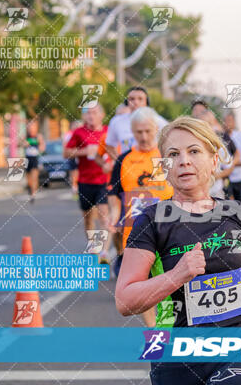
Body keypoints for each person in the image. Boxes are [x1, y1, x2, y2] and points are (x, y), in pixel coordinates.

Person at [116, 116, 241, 385]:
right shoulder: (152, 221)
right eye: (173, 154)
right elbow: (125, 300)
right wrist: (177, 275)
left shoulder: (237, 212)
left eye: (194, 151)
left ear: (214, 160)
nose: (184, 160)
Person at [108, 107, 174, 326]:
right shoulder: (124, 160)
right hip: (136, 232)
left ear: (156, 129)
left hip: (169, 229)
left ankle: (171, 329)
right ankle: (155, 332)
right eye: (138, 132)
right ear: (132, 132)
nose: (144, 137)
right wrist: (113, 218)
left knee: (169, 284)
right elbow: (114, 194)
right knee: (142, 286)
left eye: (147, 131)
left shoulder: (167, 155)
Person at [64, 104, 110, 262]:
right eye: (88, 113)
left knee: (104, 217)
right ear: (84, 116)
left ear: (101, 115)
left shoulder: (108, 132)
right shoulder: (78, 132)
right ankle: (93, 249)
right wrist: (84, 151)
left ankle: (104, 252)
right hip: (85, 181)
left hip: (104, 180)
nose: (91, 116)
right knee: (88, 218)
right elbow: (66, 153)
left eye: (94, 112)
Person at [104, 87, 168, 161]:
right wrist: (120, 163)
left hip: (152, 166)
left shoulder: (159, 121)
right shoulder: (116, 121)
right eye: (132, 99)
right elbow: (110, 145)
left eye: (140, 99)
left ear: (147, 102)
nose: (136, 102)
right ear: (126, 102)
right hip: (129, 167)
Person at [20, 120, 45, 203]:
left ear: (36, 128)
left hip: (35, 159)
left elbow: (42, 147)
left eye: (33, 126)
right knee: (28, 179)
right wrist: (24, 144)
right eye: (30, 127)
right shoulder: (25, 136)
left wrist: (39, 149)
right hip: (27, 159)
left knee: (35, 177)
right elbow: (20, 144)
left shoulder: (38, 136)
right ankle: (30, 189)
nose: (31, 128)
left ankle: (33, 194)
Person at [63, 120, 82, 196]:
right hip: (72, 156)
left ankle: (77, 187)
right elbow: (65, 146)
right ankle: (74, 187)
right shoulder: (68, 134)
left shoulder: (81, 134)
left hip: (80, 156)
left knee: (78, 172)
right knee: (73, 171)